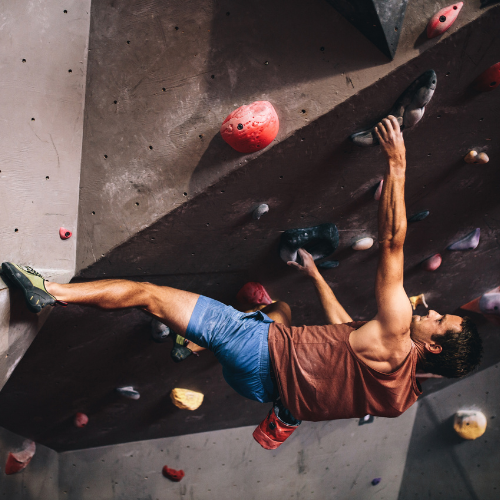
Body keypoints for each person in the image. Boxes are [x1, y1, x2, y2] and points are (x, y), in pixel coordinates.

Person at [1, 116, 482, 450]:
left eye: (438, 322)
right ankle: (193, 345)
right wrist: (316, 274)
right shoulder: (402, 397)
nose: (429, 313)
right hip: (258, 390)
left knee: (149, 296)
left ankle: (51, 293)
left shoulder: (398, 330)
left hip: (253, 350)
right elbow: (346, 329)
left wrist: (396, 163)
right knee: (283, 312)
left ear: (435, 349)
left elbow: (393, 242)